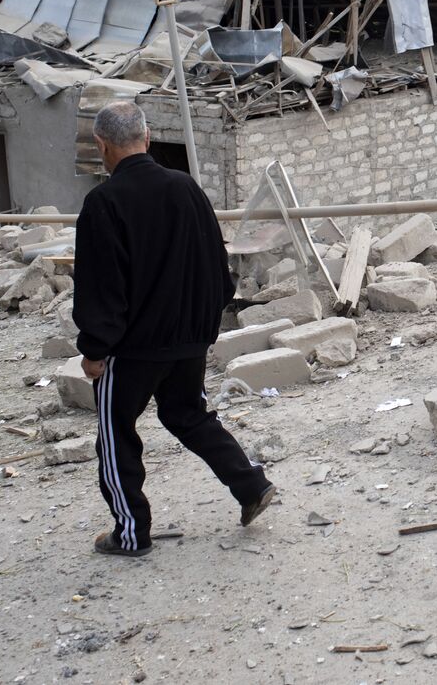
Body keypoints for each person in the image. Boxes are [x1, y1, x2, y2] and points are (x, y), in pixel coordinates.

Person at [72, 101, 276, 557]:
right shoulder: (185, 188)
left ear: (101, 147)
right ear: (146, 139)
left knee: (116, 432)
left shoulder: (103, 203)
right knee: (187, 415)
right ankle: (250, 485)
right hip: (188, 341)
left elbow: (99, 285)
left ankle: (129, 535)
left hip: (132, 350)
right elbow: (217, 269)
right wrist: (203, 327)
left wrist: (94, 349)